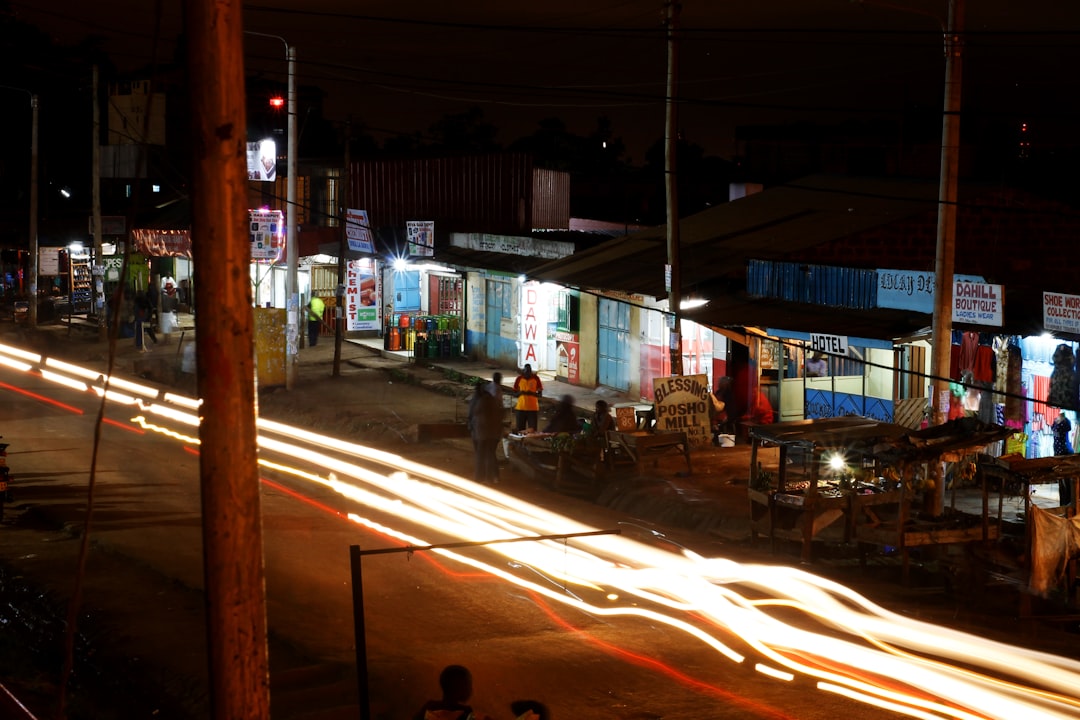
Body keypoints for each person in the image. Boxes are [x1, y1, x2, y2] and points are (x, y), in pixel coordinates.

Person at [413, 664, 492, 720]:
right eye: (469, 685)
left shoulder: (429, 706)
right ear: (460, 688)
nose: (471, 689)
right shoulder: (465, 712)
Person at [468, 384, 503, 483]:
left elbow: (471, 416)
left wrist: (472, 429)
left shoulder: (477, 400)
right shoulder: (492, 400)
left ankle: (480, 477)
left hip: (481, 432)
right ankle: (493, 477)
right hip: (494, 433)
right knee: (491, 454)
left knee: (480, 455)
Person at [512, 364, 543, 432]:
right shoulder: (519, 379)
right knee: (520, 430)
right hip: (520, 408)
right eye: (526, 373)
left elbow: (540, 395)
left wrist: (532, 393)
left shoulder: (536, 378)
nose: (527, 375)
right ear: (524, 371)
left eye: (529, 373)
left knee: (532, 430)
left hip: (532, 409)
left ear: (531, 372)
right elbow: (514, 393)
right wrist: (521, 393)